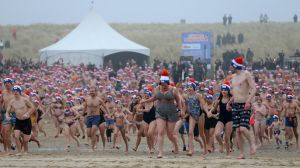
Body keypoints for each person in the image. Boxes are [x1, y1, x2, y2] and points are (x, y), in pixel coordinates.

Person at [140, 69, 182, 158]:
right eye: (161, 84)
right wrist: (145, 101)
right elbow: (153, 98)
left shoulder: (173, 90)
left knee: (170, 134)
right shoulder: (157, 88)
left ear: (168, 83)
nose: (163, 86)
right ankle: (160, 152)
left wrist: (181, 110)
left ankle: (175, 144)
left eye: (164, 84)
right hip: (160, 113)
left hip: (171, 113)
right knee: (160, 132)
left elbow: (178, 100)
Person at [227, 56, 256, 159]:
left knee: (243, 128)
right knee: (238, 131)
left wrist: (249, 101)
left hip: (245, 104)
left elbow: (254, 89)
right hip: (235, 104)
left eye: (231, 65)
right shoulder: (233, 78)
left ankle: (252, 144)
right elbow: (235, 93)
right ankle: (242, 153)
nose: (230, 67)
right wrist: (229, 102)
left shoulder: (246, 74)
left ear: (235, 66)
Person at [6, 85, 34, 155]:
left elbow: (32, 107)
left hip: (26, 121)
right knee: (16, 136)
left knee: (25, 140)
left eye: (17, 91)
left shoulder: (25, 100)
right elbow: (7, 111)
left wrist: (27, 113)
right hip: (18, 120)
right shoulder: (11, 102)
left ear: (20, 92)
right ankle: (19, 152)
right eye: (14, 91)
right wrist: (7, 116)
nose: (15, 92)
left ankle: (25, 151)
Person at [182, 78, 208, 156]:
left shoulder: (198, 95)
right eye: (188, 87)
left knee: (202, 133)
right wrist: (183, 111)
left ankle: (205, 148)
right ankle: (191, 150)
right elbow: (185, 105)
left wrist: (207, 112)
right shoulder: (186, 96)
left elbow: (203, 105)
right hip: (192, 115)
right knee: (190, 133)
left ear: (194, 88)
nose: (189, 88)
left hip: (200, 114)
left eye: (190, 87)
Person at [208, 80, 232, 156]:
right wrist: (211, 110)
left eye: (225, 90)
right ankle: (221, 144)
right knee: (217, 134)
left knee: (227, 138)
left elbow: (234, 107)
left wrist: (230, 107)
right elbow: (214, 109)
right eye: (222, 90)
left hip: (229, 119)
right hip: (221, 119)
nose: (223, 91)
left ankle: (228, 154)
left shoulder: (231, 100)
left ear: (228, 91)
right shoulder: (219, 99)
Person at [83, 86, 105, 152]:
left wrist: (108, 114)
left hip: (96, 117)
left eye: (93, 91)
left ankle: (92, 148)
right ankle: (96, 137)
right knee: (89, 134)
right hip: (89, 117)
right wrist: (82, 115)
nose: (92, 92)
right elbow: (85, 108)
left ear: (95, 92)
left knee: (92, 132)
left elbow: (105, 106)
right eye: (91, 91)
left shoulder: (99, 100)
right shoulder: (87, 99)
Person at [1, 77, 16, 155]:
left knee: (19, 133)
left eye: (8, 84)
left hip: (17, 114)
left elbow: (25, 99)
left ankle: (23, 149)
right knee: (6, 132)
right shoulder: (3, 93)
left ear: (11, 84)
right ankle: (9, 150)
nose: (7, 85)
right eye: (5, 84)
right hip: (7, 114)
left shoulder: (16, 92)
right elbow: (1, 102)